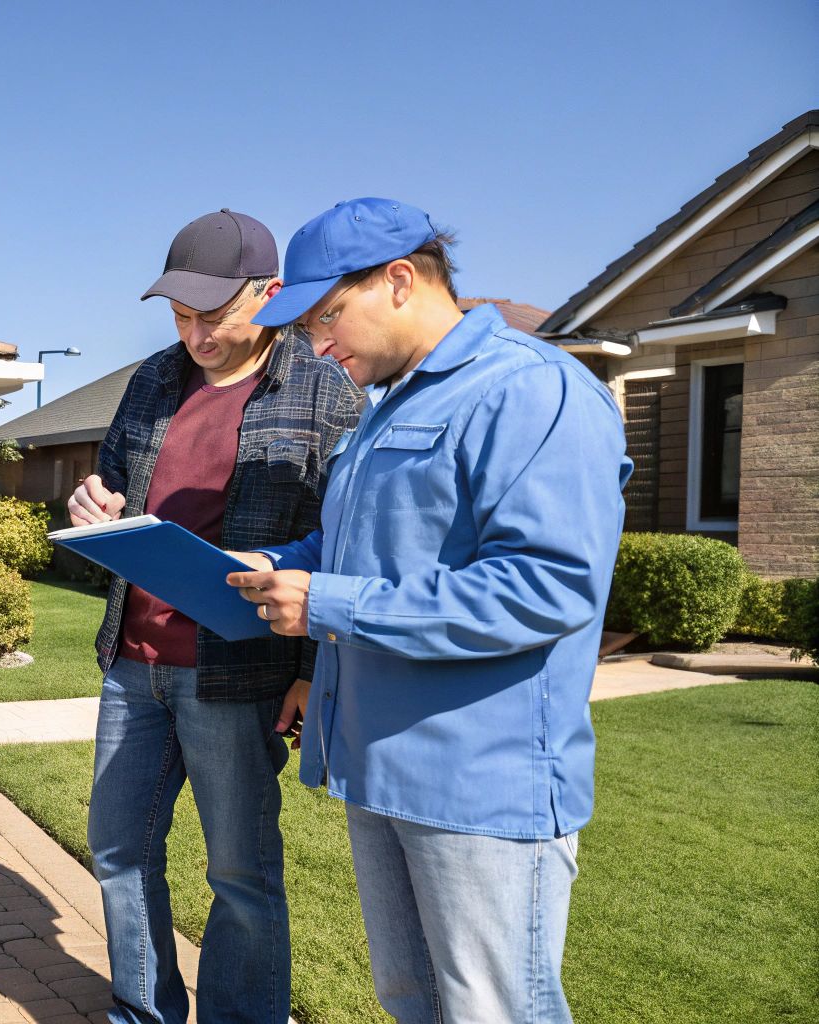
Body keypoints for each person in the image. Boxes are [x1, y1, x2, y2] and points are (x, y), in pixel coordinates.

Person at [228, 198, 632, 1023]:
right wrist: (272, 565)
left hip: (480, 782)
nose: (316, 344)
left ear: (401, 281)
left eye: (326, 315)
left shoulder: (531, 391)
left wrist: (330, 604)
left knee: (494, 1009)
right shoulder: (386, 410)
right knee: (413, 1001)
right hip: (378, 768)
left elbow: (546, 585)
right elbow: (356, 552)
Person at [69, 209, 360, 1024]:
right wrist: (94, 504)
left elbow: (346, 544)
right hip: (134, 664)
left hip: (240, 674)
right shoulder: (153, 381)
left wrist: (310, 671)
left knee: (239, 874)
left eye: (215, 315)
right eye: (181, 315)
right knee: (120, 850)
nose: (196, 334)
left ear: (269, 295)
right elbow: (114, 488)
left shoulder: (324, 391)